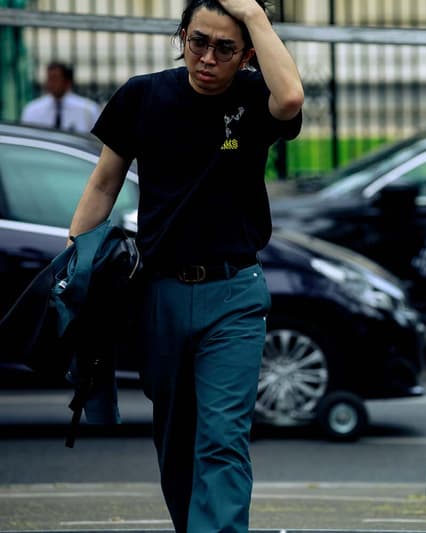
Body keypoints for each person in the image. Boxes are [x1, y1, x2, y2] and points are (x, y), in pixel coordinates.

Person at [66, 0, 303, 531]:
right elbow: (104, 182)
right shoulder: (143, 95)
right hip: (160, 293)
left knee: (223, 440)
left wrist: (255, 14)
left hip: (234, 294)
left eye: (225, 48)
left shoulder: (254, 99)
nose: (207, 58)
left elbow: (290, 97)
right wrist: (73, 264)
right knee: (176, 441)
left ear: (245, 55)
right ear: (181, 36)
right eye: (198, 41)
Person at [20, 61, 101, 133]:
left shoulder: (88, 110)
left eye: (55, 79)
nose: (50, 84)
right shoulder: (33, 110)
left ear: (67, 82)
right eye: (49, 79)